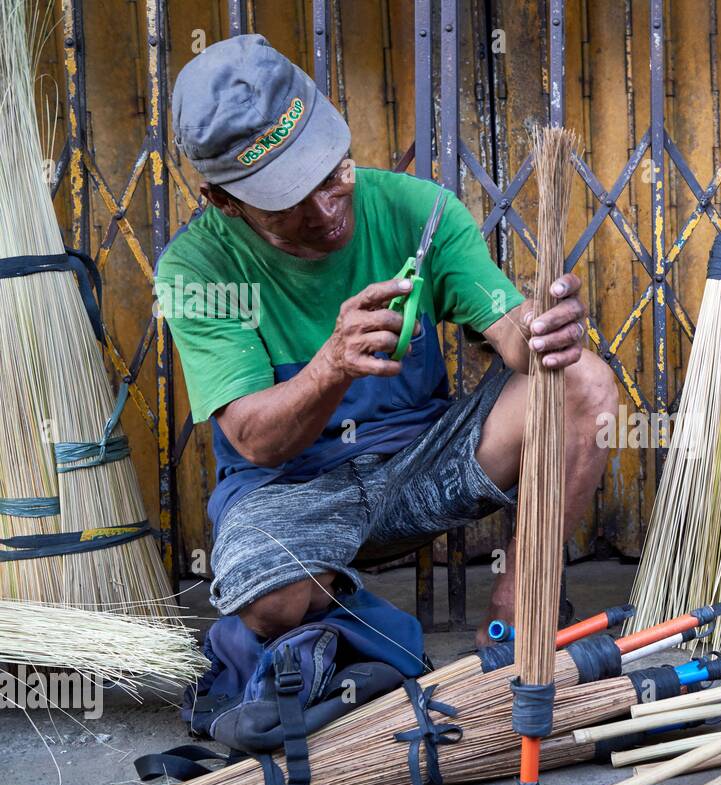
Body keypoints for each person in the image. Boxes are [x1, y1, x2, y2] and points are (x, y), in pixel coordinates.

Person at [158, 34, 616, 647]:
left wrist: (541, 331)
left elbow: (508, 329)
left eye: (330, 173)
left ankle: (521, 611)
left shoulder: (418, 211)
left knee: (581, 379)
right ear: (222, 201)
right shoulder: (198, 269)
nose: (325, 211)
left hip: (419, 468)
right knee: (269, 602)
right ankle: (356, 624)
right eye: (286, 202)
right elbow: (254, 440)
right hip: (291, 492)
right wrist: (331, 366)